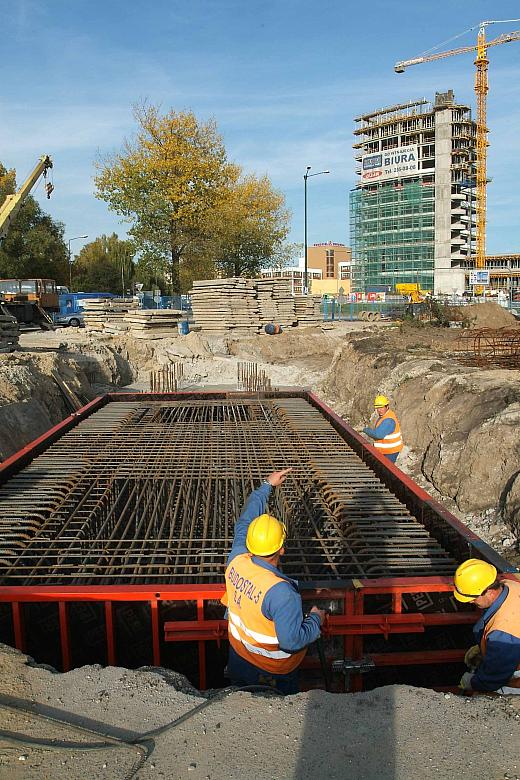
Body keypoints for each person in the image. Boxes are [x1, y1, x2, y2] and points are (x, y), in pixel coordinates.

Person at [223, 467, 326, 694]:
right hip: (272, 670)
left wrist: (266, 486)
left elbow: (245, 519)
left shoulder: (237, 558)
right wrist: (316, 620)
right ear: (281, 549)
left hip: (239, 656)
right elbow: (291, 641)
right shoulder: (282, 593)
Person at [453, 558, 520, 694]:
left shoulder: (503, 632)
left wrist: (472, 682)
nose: (470, 601)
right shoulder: (510, 585)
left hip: (514, 677)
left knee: (491, 697)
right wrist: (483, 648)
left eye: (473, 598)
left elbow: (494, 678)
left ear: (489, 592)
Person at [362, 395, 403, 463]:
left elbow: (378, 435)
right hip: (386, 450)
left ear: (387, 406)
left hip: (390, 451)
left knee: (386, 470)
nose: (379, 410)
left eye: (381, 407)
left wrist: (365, 430)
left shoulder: (388, 420)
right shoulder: (385, 416)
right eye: (377, 408)